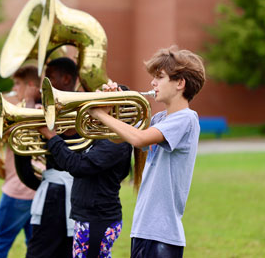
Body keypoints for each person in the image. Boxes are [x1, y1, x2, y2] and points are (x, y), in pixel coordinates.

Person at [88, 45, 206, 258]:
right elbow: (124, 139)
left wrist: (101, 115)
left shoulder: (186, 118)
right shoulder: (161, 119)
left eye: (159, 77)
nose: (152, 83)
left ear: (180, 83)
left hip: (162, 233)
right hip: (144, 228)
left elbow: (139, 137)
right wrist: (110, 106)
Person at [38, 103, 133, 257]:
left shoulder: (116, 143)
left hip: (98, 219)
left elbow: (79, 166)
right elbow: (68, 161)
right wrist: (56, 134)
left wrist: (52, 136)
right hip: (90, 217)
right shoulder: (100, 136)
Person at [14, 57, 79, 258]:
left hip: (60, 195)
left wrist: (31, 105)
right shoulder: (48, 109)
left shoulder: (80, 110)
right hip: (65, 192)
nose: (44, 86)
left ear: (67, 79)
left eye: (49, 79)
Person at [0, 65, 41, 258]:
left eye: (18, 84)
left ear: (31, 85)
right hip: (38, 192)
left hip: (17, 191)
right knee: (34, 246)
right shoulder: (43, 110)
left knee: (1, 241)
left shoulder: (22, 113)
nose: (14, 89)